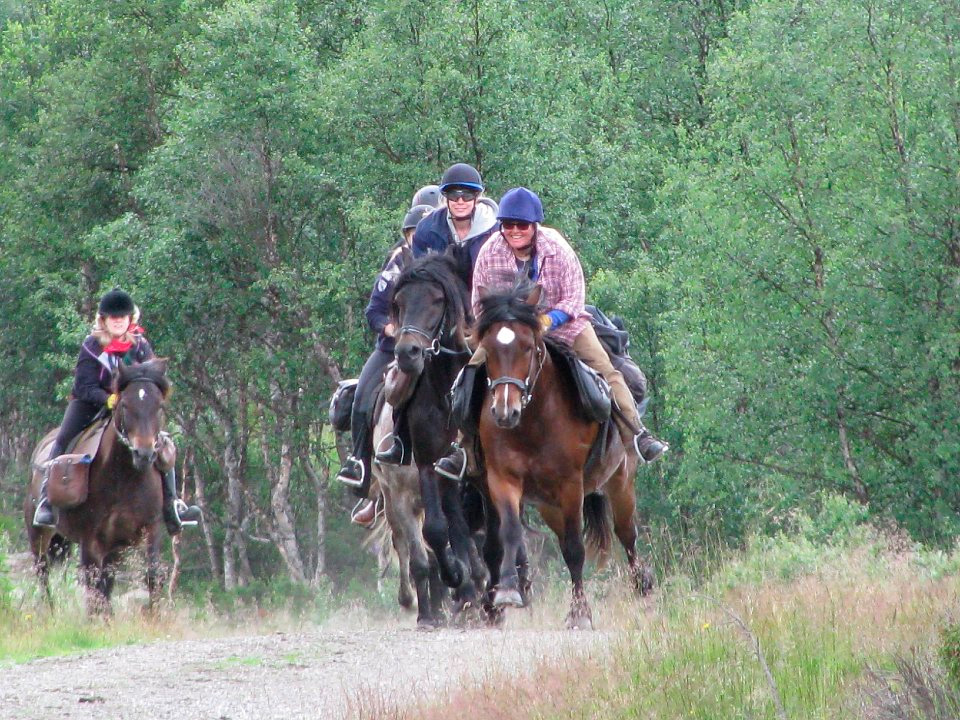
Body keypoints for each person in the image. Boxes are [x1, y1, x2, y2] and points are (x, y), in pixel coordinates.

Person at [434, 187, 668, 480]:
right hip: (508, 332)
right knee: (469, 374)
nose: (515, 231)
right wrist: (496, 327)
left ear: (534, 226)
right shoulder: (490, 252)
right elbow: (479, 304)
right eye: (508, 225)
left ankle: (638, 434)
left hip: (564, 326)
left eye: (522, 226)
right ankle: (461, 447)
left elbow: (573, 299)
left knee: (606, 370)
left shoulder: (557, 248)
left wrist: (546, 321)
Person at [33, 289, 202, 535]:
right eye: (113, 318)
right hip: (90, 402)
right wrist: (108, 399)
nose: (118, 321)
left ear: (130, 319)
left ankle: (172, 504)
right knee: (63, 438)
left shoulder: (141, 345)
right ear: (104, 320)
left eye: (122, 317)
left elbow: (150, 379)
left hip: (130, 407)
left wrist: (137, 401)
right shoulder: (92, 346)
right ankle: (46, 501)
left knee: (161, 442)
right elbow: (83, 385)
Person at [335, 204, 435, 522]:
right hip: (394, 347)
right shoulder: (397, 262)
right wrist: (397, 332)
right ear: (407, 235)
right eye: (412, 233)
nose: (417, 239)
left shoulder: (444, 262)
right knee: (363, 399)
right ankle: (363, 467)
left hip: (436, 350)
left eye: (423, 232)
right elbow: (375, 311)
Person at [411, 163, 498, 280]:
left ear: (477, 197)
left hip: (485, 292)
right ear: (445, 197)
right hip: (441, 293)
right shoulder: (426, 229)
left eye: (467, 196)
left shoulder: (496, 231)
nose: (460, 201)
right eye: (453, 196)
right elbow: (419, 274)